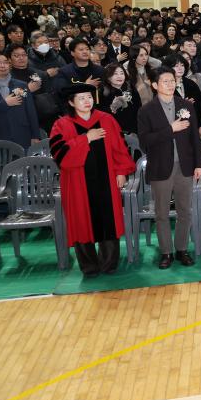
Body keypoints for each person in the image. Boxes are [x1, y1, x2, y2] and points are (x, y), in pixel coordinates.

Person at [50, 84, 136, 276]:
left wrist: (121, 172)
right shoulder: (62, 125)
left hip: (107, 180)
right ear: (71, 102)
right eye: (81, 98)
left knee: (109, 220)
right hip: (77, 182)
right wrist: (86, 138)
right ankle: (89, 267)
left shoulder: (106, 119)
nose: (87, 101)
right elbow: (60, 155)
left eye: (89, 97)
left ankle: (109, 265)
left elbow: (120, 148)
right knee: (81, 221)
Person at [137, 66, 201, 270]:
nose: (170, 84)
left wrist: (199, 165)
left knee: (185, 211)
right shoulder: (146, 110)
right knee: (162, 213)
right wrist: (170, 129)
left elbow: (194, 139)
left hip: (185, 166)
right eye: (165, 81)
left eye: (172, 80)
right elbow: (144, 142)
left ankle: (182, 249)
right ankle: (166, 252)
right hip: (160, 167)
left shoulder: (186, 106)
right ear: (155, 85)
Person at [0, 52, 41, 148]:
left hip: (23, 136)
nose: (3, 65)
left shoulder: (21, 85)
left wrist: (35, 135)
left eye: (6, 62)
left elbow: (31, 112)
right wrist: (4, 103)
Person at [97, 63, 141, 135]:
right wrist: (113, 107)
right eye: (115, 74)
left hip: (134, 128)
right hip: (114, 131)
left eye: (121, 73)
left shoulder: (130, 87)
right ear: (108, 77)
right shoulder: (103, 92)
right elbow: (101, 113)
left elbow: (138, 105)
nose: (119, 76)